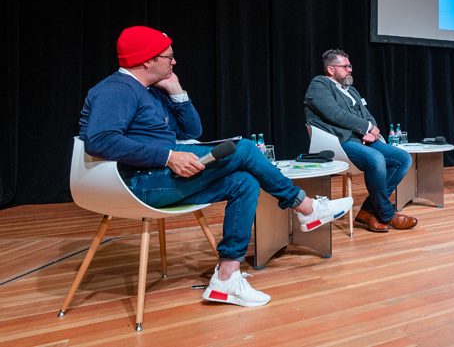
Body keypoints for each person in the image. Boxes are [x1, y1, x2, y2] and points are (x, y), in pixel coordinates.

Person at [79, 26, 352, 308]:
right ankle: (305, 207)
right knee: (244, 148)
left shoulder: (152, 92)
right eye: (168, 57)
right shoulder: (117, 90)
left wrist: (176, 91)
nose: (174, 62)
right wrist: (168, 157)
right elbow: (99, 141)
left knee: (246, 181)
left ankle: (226, 278)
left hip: (160, 177)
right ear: (147, 60)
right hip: (138, 184)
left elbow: (191, 130)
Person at [303, 49, 417, 233]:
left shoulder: (352, 91)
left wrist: (372, 129)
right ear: (331, 70)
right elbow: (334, 114)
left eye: (350, 66)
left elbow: (368, 115)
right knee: (376, 159)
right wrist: (366, 128)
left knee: (403, 158)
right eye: (345, 66)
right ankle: (387, 214)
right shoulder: (320, 84)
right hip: (339, 142)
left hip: (363, 140)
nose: (350, 70)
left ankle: (367, 211)